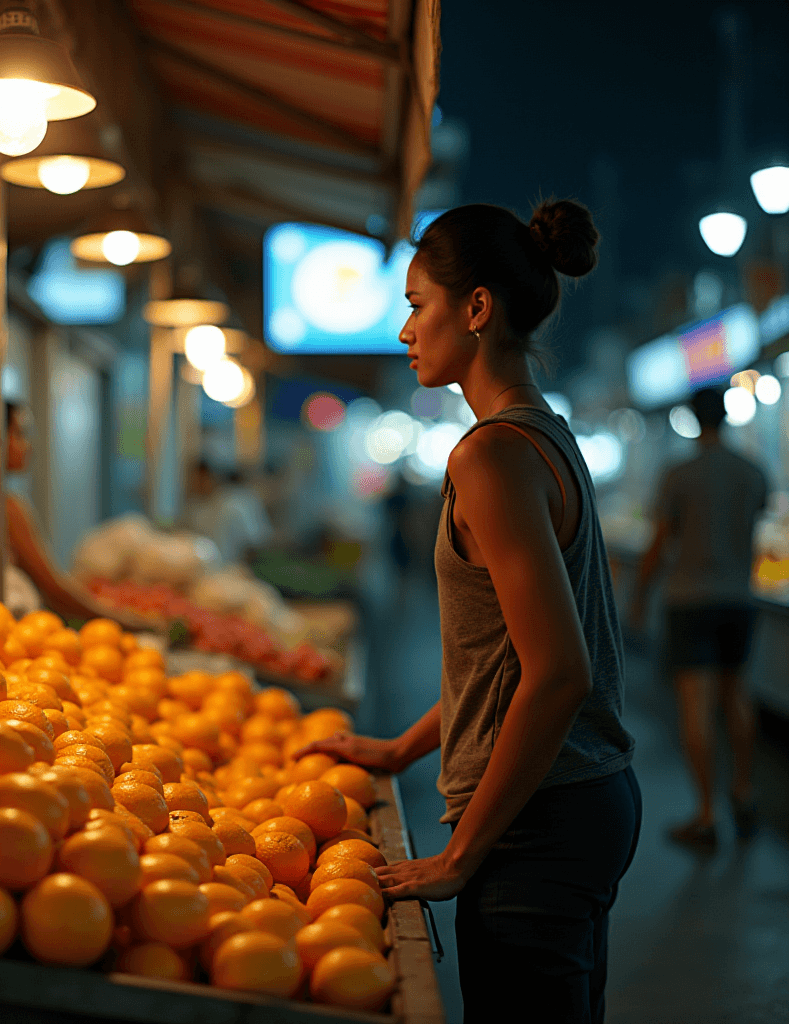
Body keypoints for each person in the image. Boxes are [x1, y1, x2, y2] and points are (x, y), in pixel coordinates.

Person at [295, 201, 640, 1024]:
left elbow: (557, 673)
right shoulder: (543, 433)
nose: (406, 330)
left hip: (537, 820)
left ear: (477, 309)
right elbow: (504, 663)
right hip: (580, 803)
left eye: (418, 306)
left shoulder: (490, 455)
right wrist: (400, 748)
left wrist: (461, 853)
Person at [630, 386, 768, 850]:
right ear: (727, 417)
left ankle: (707, 814)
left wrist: (637, 597)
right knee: (738, 696)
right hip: (738, 598)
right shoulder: (752, 472)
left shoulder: (678, 475)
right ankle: (745, 794)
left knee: (697, 706)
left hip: (689, 600)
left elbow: (660, 541)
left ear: (692, 420)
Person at [0, 401, 116, 622]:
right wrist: (124, 619)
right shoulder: (2, 507)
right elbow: (53, 590)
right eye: (20, 434)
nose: (28, 445)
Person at [184, 458, 274, 564]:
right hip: (204, 572)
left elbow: (257, 541)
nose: (196, 484)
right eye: (193, 480)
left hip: (232, 570)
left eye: (200, 479)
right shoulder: (195, 509)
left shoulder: (234, 505)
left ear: (210, 477)